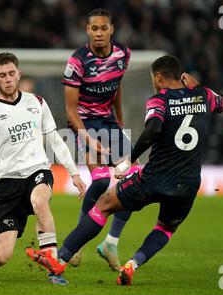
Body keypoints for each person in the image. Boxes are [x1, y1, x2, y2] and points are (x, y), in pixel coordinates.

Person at [26, 55, 223, 285]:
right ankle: (131, 265)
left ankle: (61, 258)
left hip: (153, 178)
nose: (153, 83)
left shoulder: (159, 100)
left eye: (153, 79)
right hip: (188, 183)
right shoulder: (203, 95)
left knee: (104, 204)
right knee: (165, 228)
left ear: (159, 76)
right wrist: (197, 86)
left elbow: (153, 129)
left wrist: (129, 160)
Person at [0, 52, 86, 285]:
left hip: (38, 171)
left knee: (40, 202)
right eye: (2, 75)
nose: (8, 79)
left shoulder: (36, 102)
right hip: (7, 182)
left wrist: (74, 173)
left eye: (12, 74)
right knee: (1, 256)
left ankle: (54, 269)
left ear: (19, 74)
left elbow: (54, 139)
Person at [61, 8, 140, 270]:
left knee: (133, 179)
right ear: (87, 30)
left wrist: (119, 121)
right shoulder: (77, 62)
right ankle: (78, 243)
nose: (98, 33)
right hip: (83, 123)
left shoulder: (122, 54)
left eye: (103, 28)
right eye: (94, 28)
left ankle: (111, 244)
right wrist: (87, 138)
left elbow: (115, 87)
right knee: (103, 179)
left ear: (111, 30)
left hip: (108, 121)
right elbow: (70, 109)